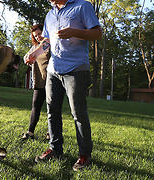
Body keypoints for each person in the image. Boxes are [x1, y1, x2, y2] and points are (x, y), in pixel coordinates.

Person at [26, 0, 102, 171]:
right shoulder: (50, 14)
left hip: (76, 69)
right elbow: (47, 40)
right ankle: (55, 149)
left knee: (78, 113)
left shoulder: (82, 6)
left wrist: (74, 32)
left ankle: (84, 155)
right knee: (52, 111)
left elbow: (97, 33)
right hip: (54, 70)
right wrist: (35, 54)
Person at [21, 24, 51, 141]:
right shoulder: (36, 47)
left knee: (51, 108)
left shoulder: (49, 44)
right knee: (35, 107)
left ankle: (51, 133)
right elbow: (26, 57)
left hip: (51, 81)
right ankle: (30, 132)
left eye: (39, 34)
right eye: (35, 36)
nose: (38, 37)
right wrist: (27, 58)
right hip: (39, 83)